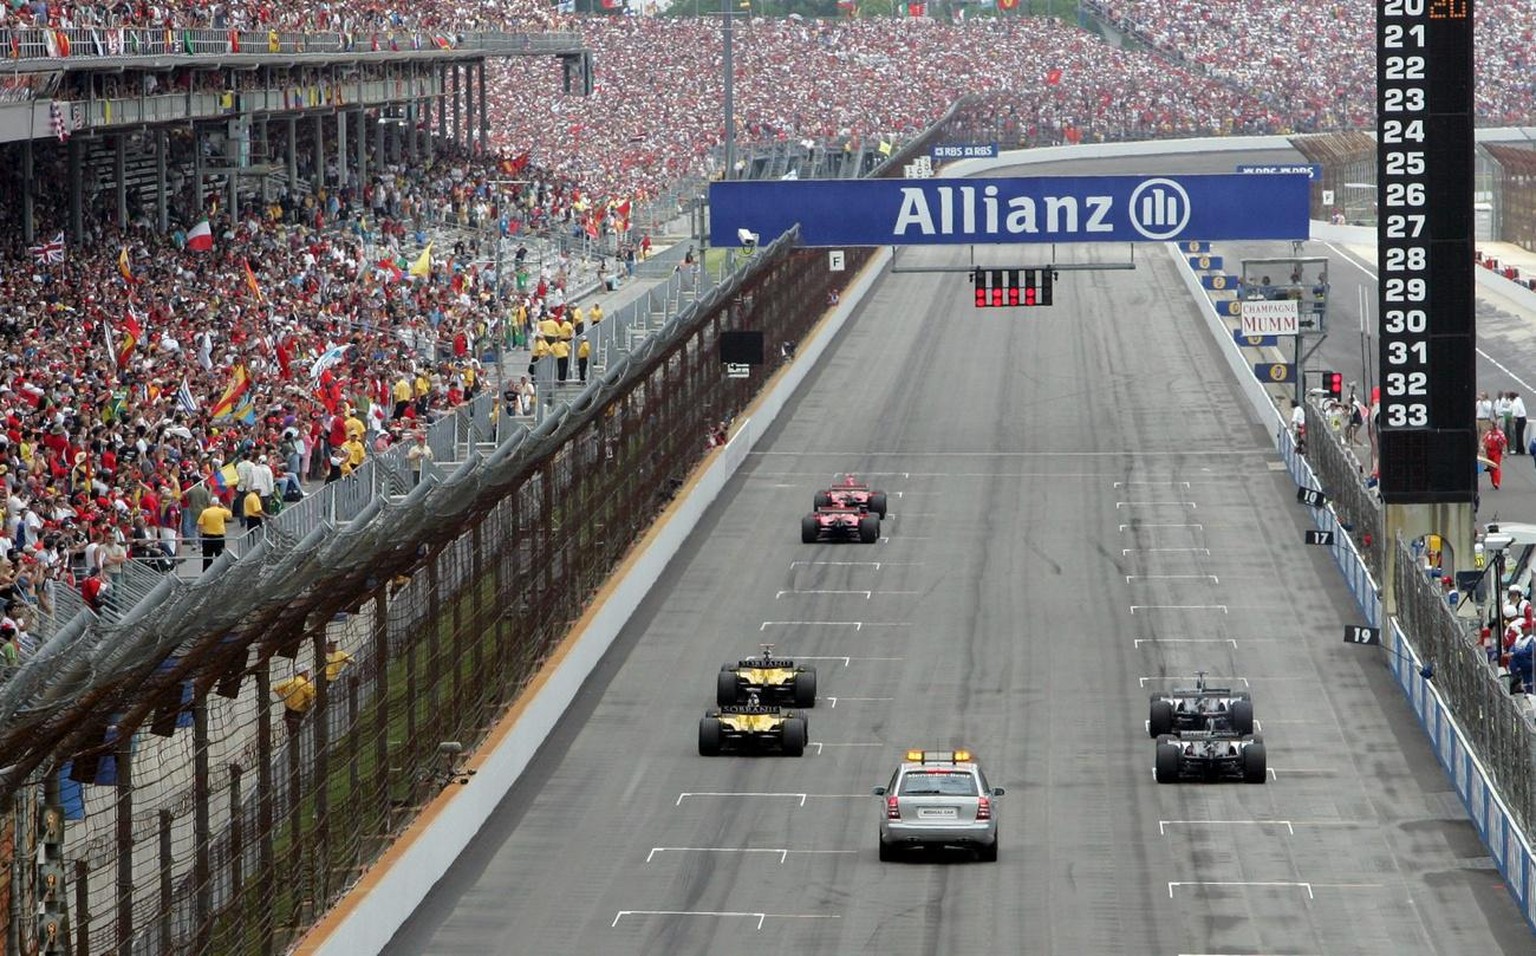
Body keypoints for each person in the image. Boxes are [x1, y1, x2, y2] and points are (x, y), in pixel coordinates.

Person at [272, 668, 316, 734]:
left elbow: (276, 688)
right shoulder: (305, 684)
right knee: (300, 732)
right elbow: (313, 694)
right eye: (307, 672)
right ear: (303, 673)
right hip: (299, 712)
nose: (308, 674)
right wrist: (309, 704)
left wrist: (284, 699)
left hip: (289, 711)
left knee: (292, 733)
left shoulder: (291, 681)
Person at [197, 497, 234, 571]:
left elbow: (200, 523)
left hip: (207, 536)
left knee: (207, 556)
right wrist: (222, 506)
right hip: (219, 536)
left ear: (210, 503)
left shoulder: (205, 512)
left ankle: (206, 571)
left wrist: (200, 533)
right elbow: (230, 516)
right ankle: (220, 571)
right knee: (220, 556)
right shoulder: (221, 511)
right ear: (218, 503)